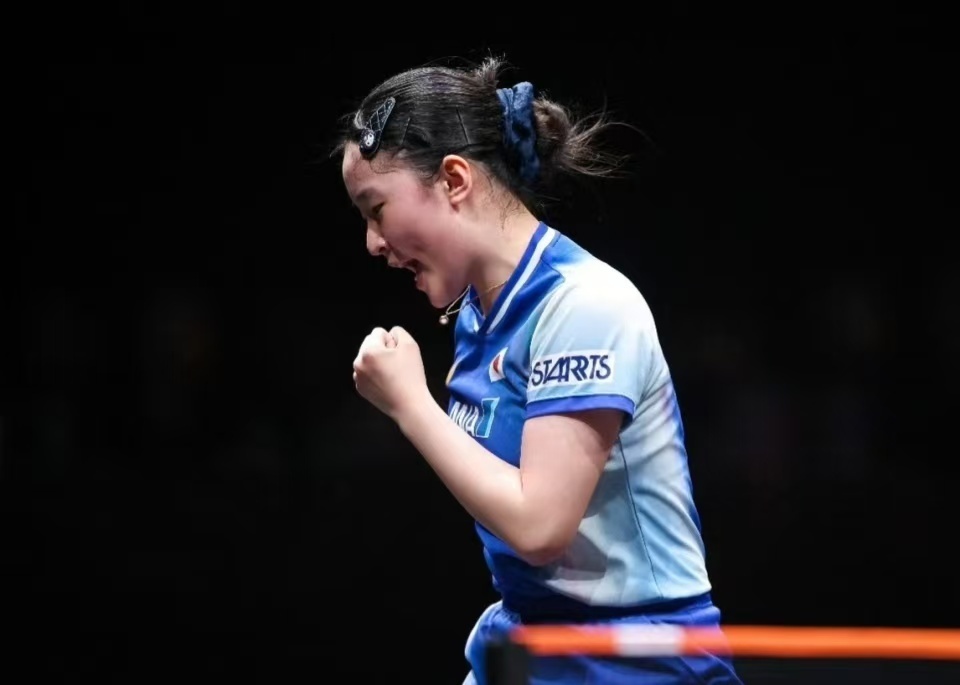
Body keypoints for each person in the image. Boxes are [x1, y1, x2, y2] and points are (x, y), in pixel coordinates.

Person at [336, 56, 743, 685]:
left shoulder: (584, 305)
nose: (372, 242)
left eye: (376, 209)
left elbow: (539, 527)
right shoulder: (478, 316)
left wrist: (412, 405)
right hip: (531, 642)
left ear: (454, 179)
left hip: (639, 659)